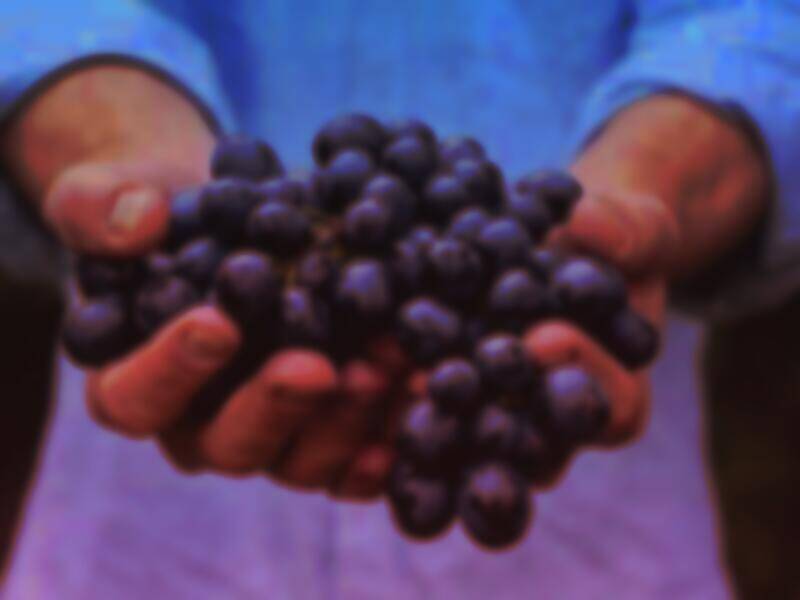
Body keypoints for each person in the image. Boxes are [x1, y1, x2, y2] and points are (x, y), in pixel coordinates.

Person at [0, 1, 796, 598]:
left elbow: (758, 24)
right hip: (146, 551)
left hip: (595, 546)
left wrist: (656, 185)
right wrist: (109, 139)